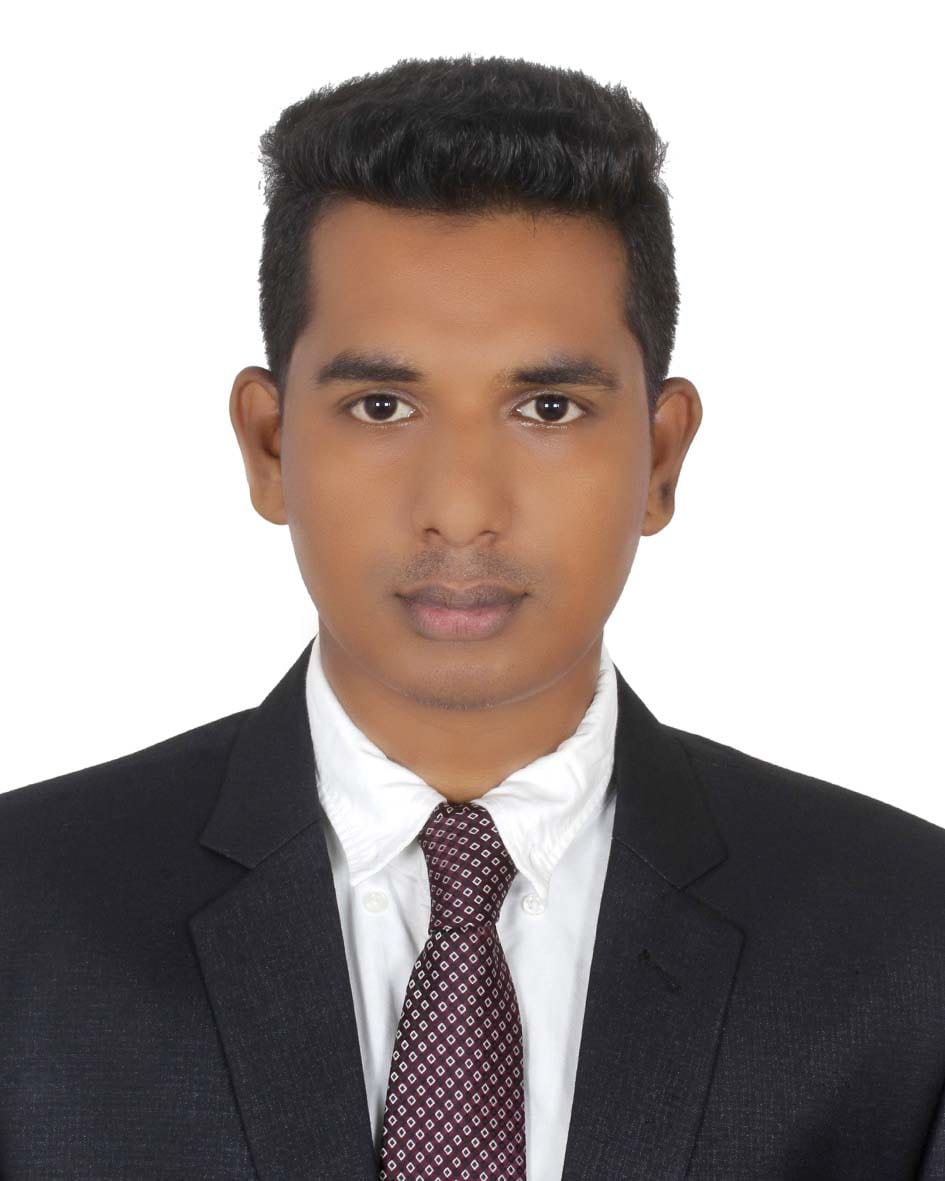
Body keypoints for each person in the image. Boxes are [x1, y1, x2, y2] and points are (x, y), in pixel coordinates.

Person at [1, 53, 943, 1181]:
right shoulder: (26, 917)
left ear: (658, 455)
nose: (459, 508)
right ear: (269, 445)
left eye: (547, 406)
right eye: (381, 405)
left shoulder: (907, 939)